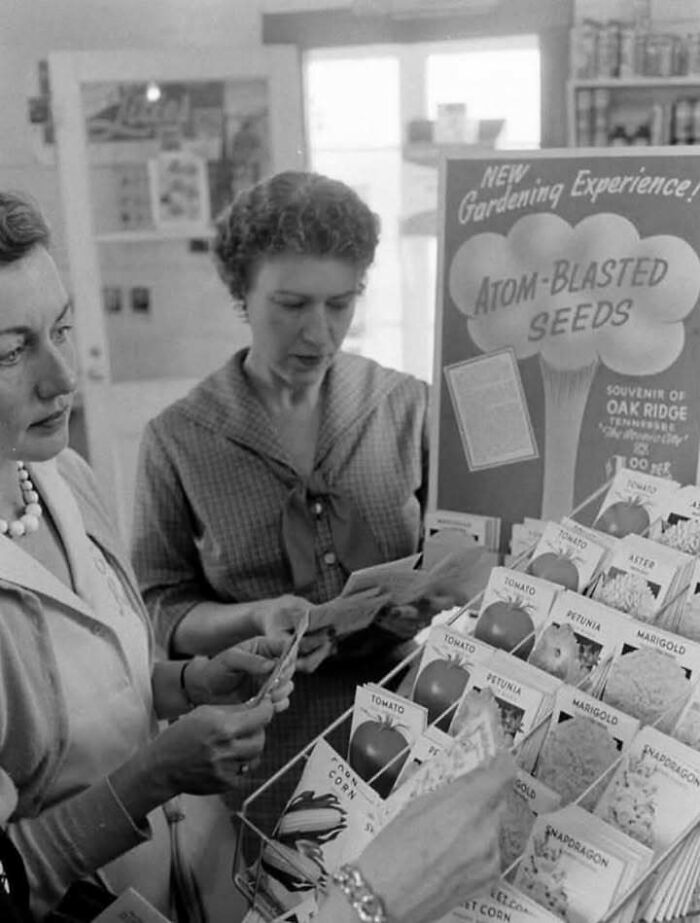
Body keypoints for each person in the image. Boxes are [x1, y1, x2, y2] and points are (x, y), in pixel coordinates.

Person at [131, 170, 465, 826]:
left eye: (341, 303)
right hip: (267, 744)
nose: (319, 333)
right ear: (242, 294)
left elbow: (456, 554)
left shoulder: (405, 406)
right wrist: (254, 616)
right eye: (290, 304)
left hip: (418, 719)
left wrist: (430, 594)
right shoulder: (178, 439)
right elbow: (159, 605)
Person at [0, 190, 295, 922]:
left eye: (62, 328)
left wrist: (194, 681)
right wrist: (154, 776)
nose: (62, 376)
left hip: (174, 883)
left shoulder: (62, 475)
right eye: (10, 351)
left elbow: (102, 688)